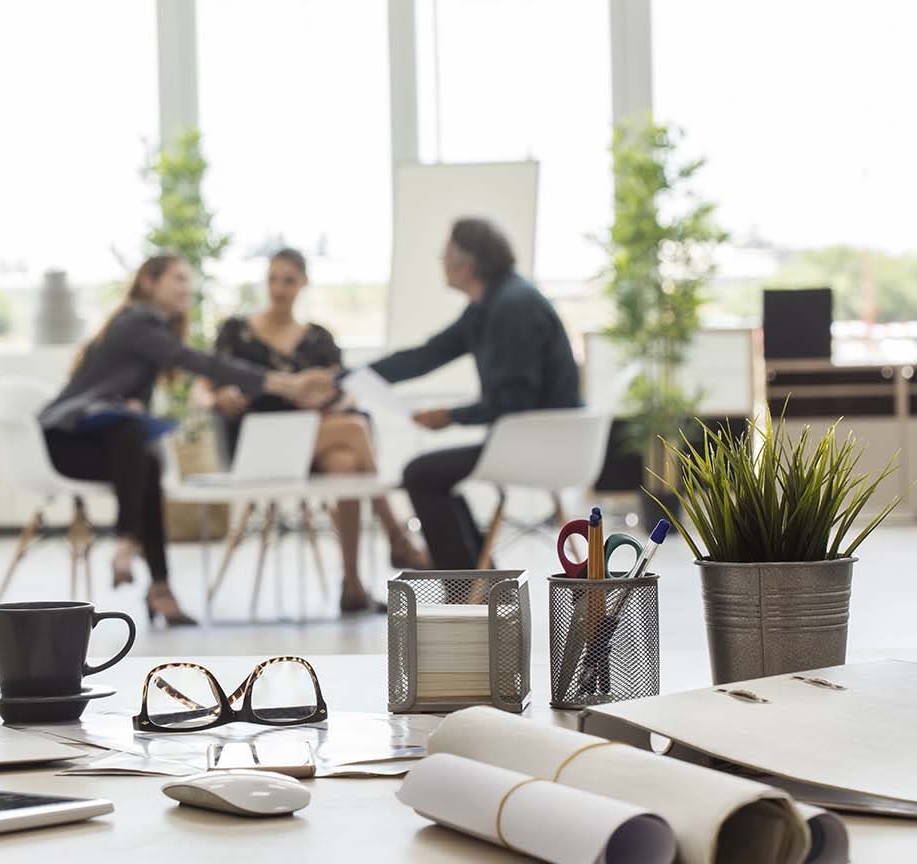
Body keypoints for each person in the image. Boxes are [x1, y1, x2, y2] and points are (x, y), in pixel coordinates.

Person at [40, 254, 333, 626]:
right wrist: (284, 382)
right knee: (134, 437)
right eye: (178, 279)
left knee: (144, 456)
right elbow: (201, 363)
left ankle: (157, 584)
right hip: (63, 443)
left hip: (106, 442)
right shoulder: (135, 322)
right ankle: (129, 543)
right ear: (149, 281)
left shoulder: (144, 326)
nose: (186, 289)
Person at [204, 248, 431, 614]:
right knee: (356, 429)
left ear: (303, 283)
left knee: (346, 463)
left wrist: (320, 398)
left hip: (311, 441)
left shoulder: (319, 339)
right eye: (273, 279)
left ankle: (353, 586)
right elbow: (205, 386)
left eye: (288, 280)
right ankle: (398, 537)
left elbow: (344, 393)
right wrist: (221, 394)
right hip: (255, 444)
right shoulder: (236, 332)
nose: (279, 288)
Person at [365, 218, 580, 569]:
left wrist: (451, 416)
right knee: (430, 475)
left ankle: (468, 586)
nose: (441, 262)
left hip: (543, 442)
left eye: (445, 254)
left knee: (421, 474)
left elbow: (514, 402)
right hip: (531, 437)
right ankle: (479, 581)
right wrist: (349, 377)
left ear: (467, 264)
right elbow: (427, 355)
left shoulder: (513, 307)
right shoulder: (489, 305)